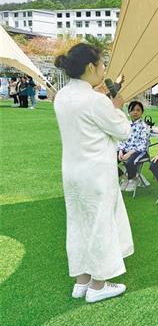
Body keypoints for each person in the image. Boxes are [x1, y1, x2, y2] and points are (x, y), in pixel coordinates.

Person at [54, 43, 132, 303]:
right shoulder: (96, 101)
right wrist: (117, 108)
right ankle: (98, 285)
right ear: (91, 66)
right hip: (96, 173)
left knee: (78, 223)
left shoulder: (62, 96)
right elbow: (123, 131)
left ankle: (82, 281)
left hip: (72, 171)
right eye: (101, 64)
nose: (104, 69)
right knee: (101, 223)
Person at [118, 101, 150, 192]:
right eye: (133, 110)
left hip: (138, 151)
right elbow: (121, 139)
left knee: (130, 163)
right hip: (125, 149)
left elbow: (143, 145)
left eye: (138, 110)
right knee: (110, 160)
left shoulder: (144, 127)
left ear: (142, 112)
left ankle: (134, 179)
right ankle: (125, 178)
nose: (135, 112)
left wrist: (129, 154)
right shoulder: (126, 125)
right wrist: (120, 151)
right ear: (129, 112)